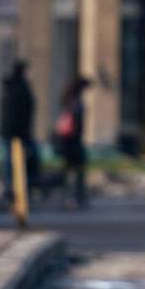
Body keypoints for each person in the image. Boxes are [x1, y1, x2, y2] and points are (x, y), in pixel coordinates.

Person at [0, 60, 40, 204]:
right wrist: (23, 133)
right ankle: (18, 191)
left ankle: (12, 190)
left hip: (12, 132)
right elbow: (20, 114)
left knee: (10, 163)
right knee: (18, 163)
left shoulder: (11, 87)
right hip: (19, 133)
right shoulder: (21, 88)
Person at [54, 76, 91, 208]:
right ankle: (76, 197)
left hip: (68, 141)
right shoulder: (76, 102)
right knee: (78, 170)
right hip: (73, 141)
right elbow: (75, 123)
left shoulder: (68, 99)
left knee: (69, 170)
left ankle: (70, 197)